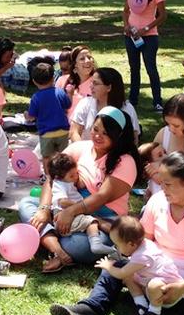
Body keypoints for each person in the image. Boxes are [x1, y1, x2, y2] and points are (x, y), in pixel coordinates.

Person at [50, 152, 184, 315]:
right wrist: (127, 263)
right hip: (154, 272)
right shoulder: (158, 202)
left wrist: (183, 286)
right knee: (114, 267)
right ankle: (89, 309)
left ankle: (150, 308)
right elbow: (142, 242)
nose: (162, 188)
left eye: (167, 184)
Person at [19, 106, 140, 272]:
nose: (98, 136)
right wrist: (44, 209)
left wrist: (71, 212)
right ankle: (58, 250)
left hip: (101, 222)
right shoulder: (81, 147)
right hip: (64, 210)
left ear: (117, 136)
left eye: (105, 133)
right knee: (26, 204)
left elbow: (101, 197)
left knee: (79, 247)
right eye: (95, 129)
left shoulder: (125, 162)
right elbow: (52, 177)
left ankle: (45, 238)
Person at [95, 215, 184, 315]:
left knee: (153, 285)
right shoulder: (142, 244)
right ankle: (141, 305)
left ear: (131, 244)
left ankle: (154, 314)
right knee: (129, 276)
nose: (116, 248)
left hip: (167, 294)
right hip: (148, 282)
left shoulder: (143, 256)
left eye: (117, 245)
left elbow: (121, 273)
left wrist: (108, 267)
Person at [48, 153, 115, 256]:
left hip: (73, 214)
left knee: (90, 222)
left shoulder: (67, 182)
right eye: (71, 176)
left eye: (76, 173)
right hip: (63, 215)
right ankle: (96, 244)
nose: (76, 177)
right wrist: (79, 205)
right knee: (91, 221)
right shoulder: (59, 185)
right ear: (58, 177)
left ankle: (111, 238)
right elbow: (62, 201)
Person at [123, 0, 167, 111]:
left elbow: (162, 16)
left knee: (151, 69)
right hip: (131, 36)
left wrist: (146, 28)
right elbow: (125, 11)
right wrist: (126, 26)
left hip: (149, 37)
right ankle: (133, 100)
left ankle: (157, 101)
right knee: (134, 68)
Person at [70, 67, 140, 143]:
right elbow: (74, 132)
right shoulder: (85, 103)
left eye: (95, 83)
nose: (91, 86)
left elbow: (133, 139)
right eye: (91, 82)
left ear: (109, 87)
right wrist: (84, 152)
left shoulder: (127, 109)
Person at [24, 62, 71, 172]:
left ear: (34, 81)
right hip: (63, 131)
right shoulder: (60, 92)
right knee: (63, 156)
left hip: (46, 133)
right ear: (53, 78)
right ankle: (63, 175)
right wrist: (70, 94)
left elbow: (31, 116)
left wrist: (27, 115)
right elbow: (68, 105)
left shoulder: (36, 97)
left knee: (46, 157)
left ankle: (48, 177)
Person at [55, 45, 95, 116]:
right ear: (75, 64)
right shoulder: (62, 80)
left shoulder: (98, 83)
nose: (88, 61)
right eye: (82, 59)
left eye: (89, 57)